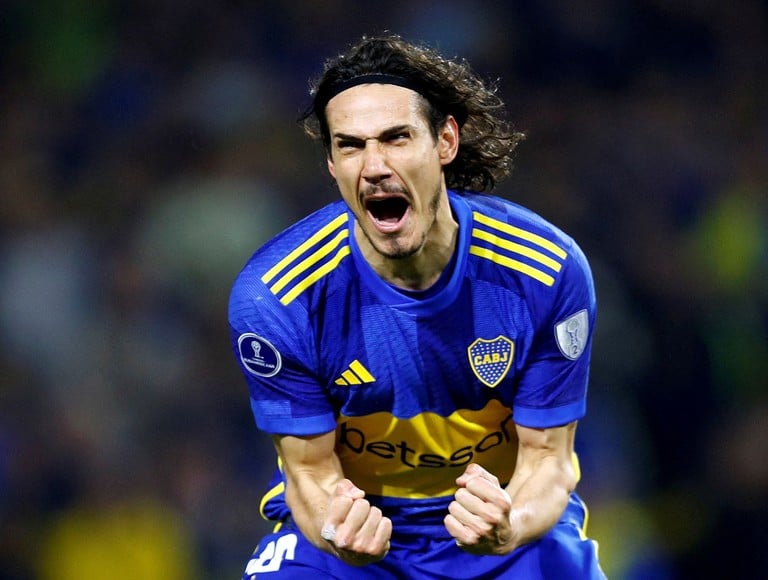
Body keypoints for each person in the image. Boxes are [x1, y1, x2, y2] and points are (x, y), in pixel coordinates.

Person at [228, 34, 605, 579]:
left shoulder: (544, 272)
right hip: (358, 535)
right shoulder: (278, 297)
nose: (374, 165)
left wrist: (509, 524)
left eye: (396, 138)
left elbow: (547, 460)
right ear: (332, 164)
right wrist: (340, 533)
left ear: (445, 141)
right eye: (351, 145)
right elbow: (308, 474)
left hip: (502, 525)